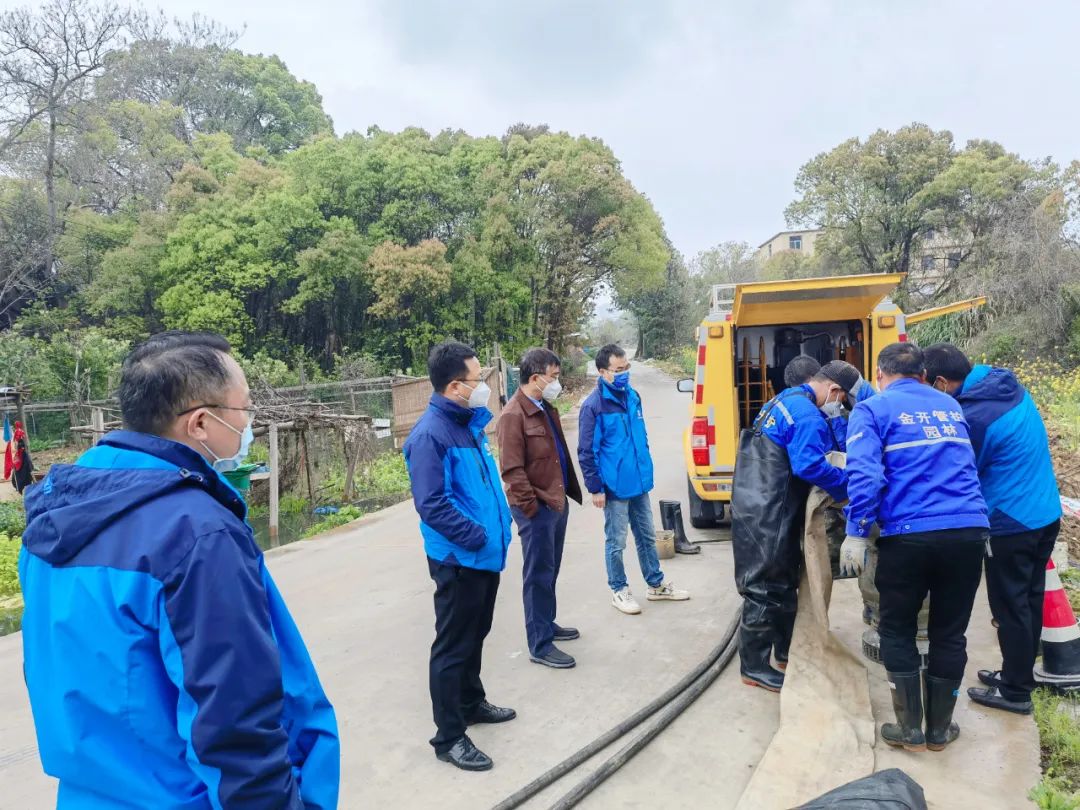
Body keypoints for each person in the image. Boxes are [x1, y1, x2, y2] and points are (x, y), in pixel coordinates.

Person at [19, 331, 339, 808]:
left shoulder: (52, 519)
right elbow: (235, 726)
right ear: (201, 423)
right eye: (245, 409)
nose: (249, 423)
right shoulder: (196, 535)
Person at [842, 342, 989, 752]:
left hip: (909, 535)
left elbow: (865, 475)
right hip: (968, 531)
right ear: (924, 375)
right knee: (950, 632)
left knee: (896, 629)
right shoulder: (950, 407)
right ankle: (940, 730)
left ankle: (910, 729)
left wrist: (856, 531)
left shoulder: (872, 409)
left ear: (879, 375)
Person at [924, 343, 1062, 715]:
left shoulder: (976, 418)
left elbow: (960, 469)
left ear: (941, 381)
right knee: (1028, 600)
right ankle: (1018, 674)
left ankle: (1016, 693)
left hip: (1011, 523)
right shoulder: (1001, 384)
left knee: (1010, 606)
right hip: (1045, 512)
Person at [403, 341, 515, 772]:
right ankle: (449, 736)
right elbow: (432, 504)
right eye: (476, 379)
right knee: (452, 646)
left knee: (476, 633)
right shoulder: (430, 435)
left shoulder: (467, 425)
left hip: (483, 556)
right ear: (454, 386)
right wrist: (478, 535)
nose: (482, 385)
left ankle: (471, 702)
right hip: (459, 559)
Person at [730, 362, 854, 692]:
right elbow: (809, 466)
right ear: (834, 389)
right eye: (841, 398)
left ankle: (786, 650)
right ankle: (754, 666)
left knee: (784, 580)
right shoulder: (807, 415)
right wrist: (847, 486)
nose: (839, 404)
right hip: (769, 508)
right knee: (763, 584)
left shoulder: (784, 399)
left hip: (759, 501)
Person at [578, 344, 690, 616]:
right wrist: (595, 488)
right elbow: (587, 451)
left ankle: (655, 584)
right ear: (603, 372)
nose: (625, 373)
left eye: (626, 367)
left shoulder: (633, 396)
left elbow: (641, 436)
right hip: (614, 487)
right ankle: (619, 589)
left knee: (646, 536)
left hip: (638, 482)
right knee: (616, 542)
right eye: (619, 369)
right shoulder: (594, 406)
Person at [497, 348, 583, 670]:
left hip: (555, 502)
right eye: (554, 376)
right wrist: (532, 509)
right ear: (535, 378)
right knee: (537, 575)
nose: (557, 382)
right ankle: (540, 644)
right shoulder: (513, 415)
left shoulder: (544, 407)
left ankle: (547, 623)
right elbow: (512, 470)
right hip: (537, 509)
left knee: (550, 569)